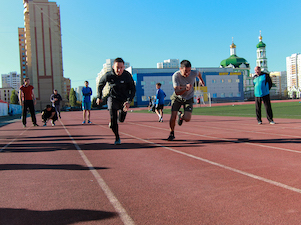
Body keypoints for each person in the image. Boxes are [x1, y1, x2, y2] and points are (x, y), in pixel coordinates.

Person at [97, 57, 136, 145]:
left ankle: (117, 120)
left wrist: (129, 101)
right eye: (117, 67)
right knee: (113, 118)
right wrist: (99, 97)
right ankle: (117, 137)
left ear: (124, 67)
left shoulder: (127, 75)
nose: (119, 70)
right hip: (113, 98)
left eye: (121, 68)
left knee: (121, 119)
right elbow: (100, 84)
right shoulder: (108, 75)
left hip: (124, 100)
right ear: (113, 67)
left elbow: (133, 89)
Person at [167, 60, 205, 141]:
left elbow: (198, 73)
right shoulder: (176, 76)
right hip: (177, 97)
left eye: (189, 71)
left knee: (187, 119)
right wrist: (185, 88)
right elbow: (177, 92)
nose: (187, 73)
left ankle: (181, 116)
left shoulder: (194, 73)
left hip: (189, 98)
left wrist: (201, 80)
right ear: (180, 69)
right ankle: (171, 133)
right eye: (185, 71)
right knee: (173, 115)